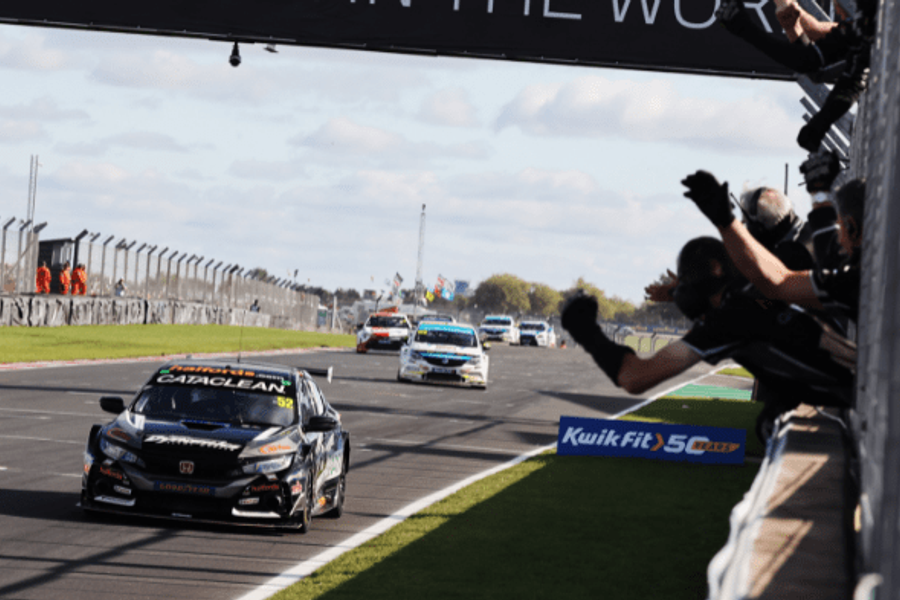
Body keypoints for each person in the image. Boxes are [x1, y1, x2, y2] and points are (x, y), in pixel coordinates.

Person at [563, 237, 856, 439]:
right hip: (863, 373)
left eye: (685, 283)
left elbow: (633, 377)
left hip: (862, 393)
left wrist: (587, 332)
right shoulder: (757, 293)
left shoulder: (728, 320)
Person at [681, 168, 863, 323]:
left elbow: (766, 286)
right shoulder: (807, 232)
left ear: (760, 229)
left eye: (747, 225)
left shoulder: (790, 253)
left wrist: (727, 225)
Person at [716, 0, 876, 151]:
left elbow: (816, 49)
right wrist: (792, 27)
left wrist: (745, 28)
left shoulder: (872, 17)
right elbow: (816, 65)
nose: (841, 14)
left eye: (840, 8)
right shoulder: (861, 24)